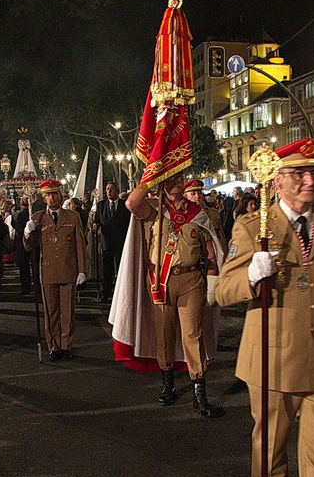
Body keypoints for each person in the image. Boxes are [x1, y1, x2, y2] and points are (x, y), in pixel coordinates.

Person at [215, 137, 314, 477]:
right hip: (272, 357)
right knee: (269, 448)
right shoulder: (254, 227)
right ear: (278, 179)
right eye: (299, 174)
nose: (310, 181)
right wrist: (251, 275)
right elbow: (223, 291)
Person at [124, 171, 221, 416]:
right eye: (169, 179)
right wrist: (150, 178)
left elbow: (210, 254)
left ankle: (200, 392)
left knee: (193, 334)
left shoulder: (198, 213)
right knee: (164, 334)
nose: (175, 183)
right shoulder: (154, 210)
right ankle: (168, 384)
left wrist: (212, 285)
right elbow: (131, 203)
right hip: (160, 281)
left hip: (191, 280)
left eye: (179, 178)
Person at [24, 179, 87, 361]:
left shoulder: (72, 217)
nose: (52, 198)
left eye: (54, 194)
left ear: (61, 195)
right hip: (48, 271)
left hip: (69, 270)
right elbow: (30, 247)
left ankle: (66, 345)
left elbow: (80, 245)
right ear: (43, 198)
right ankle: (54, 346)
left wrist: (82, 270)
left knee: (67, 311)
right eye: (48, 195)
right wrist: (28, 233)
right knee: (51, 312)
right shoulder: (38, 218)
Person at [93, 181, 131, 301]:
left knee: (121, 268)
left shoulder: (124, 205)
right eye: (107, 189)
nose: (109, 191)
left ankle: (121, 293)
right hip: (106, 242)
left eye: (112, 189)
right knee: (106, 269)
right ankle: (106, 293)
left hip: (121, 242)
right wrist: (95, 225)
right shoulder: (101, 205)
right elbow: (97, 219)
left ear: (117, 191)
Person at [184, 179, 228, 253]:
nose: (197, 196)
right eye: (193, 194)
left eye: (199, 193)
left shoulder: (213, 213)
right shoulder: (182, 216)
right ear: (185, 196)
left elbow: (221, 237)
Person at [10, 197, 33, 296]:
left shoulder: (16, 215)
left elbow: (14, 226)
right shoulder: (30, 215)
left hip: (22, 244)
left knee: (24, 268)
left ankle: (25, 288)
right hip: (29, 243)